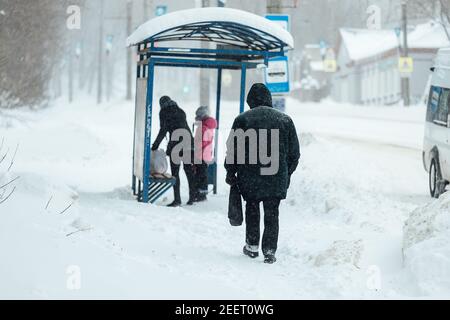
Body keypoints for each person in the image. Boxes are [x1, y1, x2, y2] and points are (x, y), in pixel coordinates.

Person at [225, 83, 300, 264]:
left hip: (250, 176)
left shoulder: (243, 120)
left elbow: (233, 150)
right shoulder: (285, 120)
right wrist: (285, 174)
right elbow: (294, 154)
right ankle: (269, 250)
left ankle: (252, 246)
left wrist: (231, 172)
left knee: (252, 208)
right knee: (272, 213)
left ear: (250, 100)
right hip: (275, 177)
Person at [151, 96, 196, 207]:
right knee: (188, 171)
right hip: (188, 143)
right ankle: (192, 197)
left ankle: (177, 200)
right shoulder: (180, 111)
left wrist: (155, 145)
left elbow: (163, 130)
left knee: (175, 173)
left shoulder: (164, 112)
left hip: (176, 145)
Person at [193, 106, 217, 202]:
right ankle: (202, 194)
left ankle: (201, 195)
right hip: (206, 154)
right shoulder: (209, 125)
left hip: (201, 154)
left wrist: (194, 145)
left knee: (199, 175)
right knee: (202, 175)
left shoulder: (203, 127)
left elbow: (200, 142)